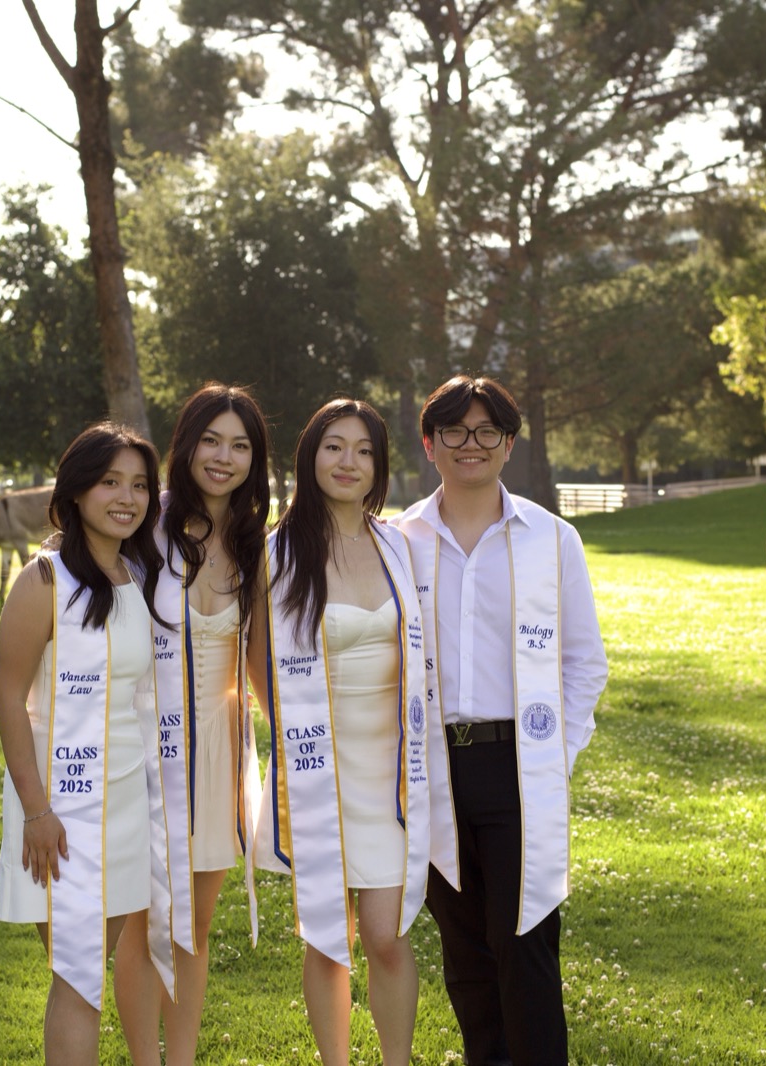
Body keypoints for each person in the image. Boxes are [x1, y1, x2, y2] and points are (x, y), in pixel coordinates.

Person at [393, 376, 608, 1066]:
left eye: (488, 431)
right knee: (466, 951)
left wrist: (555, 757)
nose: (471, 444)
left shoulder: (552, 538)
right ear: (430, 444)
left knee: (528, 946)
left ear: (509, 445)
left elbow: (584, 664)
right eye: (454, 431)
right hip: (432, 768)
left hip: (521, 765)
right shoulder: (397, 542)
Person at [249, 398, 433, 1066]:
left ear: (379, 465)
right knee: (327, 937)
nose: (347, 461)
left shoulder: (399, 545)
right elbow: (255, 659)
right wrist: (296, 736)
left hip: (390, 771)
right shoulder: (275, 553)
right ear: (309, 456)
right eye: (333, 446)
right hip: (317, 769)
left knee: (385, 934)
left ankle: (396, 1060)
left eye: (363, 449)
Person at [0, 422, 176, 1066]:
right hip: (60, 808)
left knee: (89, 967)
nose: (125, 497)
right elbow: (9, 697)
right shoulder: (41, 580)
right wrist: (37, 812)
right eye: (108, 482)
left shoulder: (134, 575)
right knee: (77, 975)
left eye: (138, 485)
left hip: (125, 802)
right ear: (76, 490)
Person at [113, 384, 271, 1065]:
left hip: (220, 754)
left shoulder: (252, 540)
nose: (223, 457)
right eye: (212, 440)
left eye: (240, 445)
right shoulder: (144, 529)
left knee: (193, 926)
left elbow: (260, 661)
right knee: (144, 919)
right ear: (187, 444)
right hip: (147, 748)